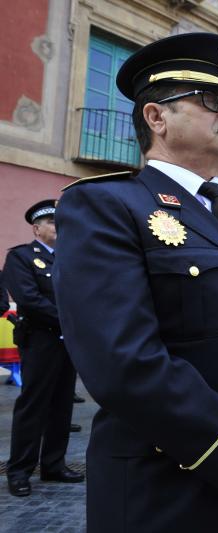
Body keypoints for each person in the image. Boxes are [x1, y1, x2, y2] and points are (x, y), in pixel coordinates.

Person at [52, 33, 218, 532]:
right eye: (211, 100)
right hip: (174, 495)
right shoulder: (107, 206)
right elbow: (124, 361)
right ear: (156, 117)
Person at [4, 200, 84, 498]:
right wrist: (72, 319)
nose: (57, 226)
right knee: (33, 406)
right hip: (40, 340)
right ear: (37, 228)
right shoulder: (22, 257)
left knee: (62, 405)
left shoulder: (70, 258)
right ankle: (20, 471)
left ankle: (54, 464)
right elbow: (29, 298)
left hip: (66, 342)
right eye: (51, 222)